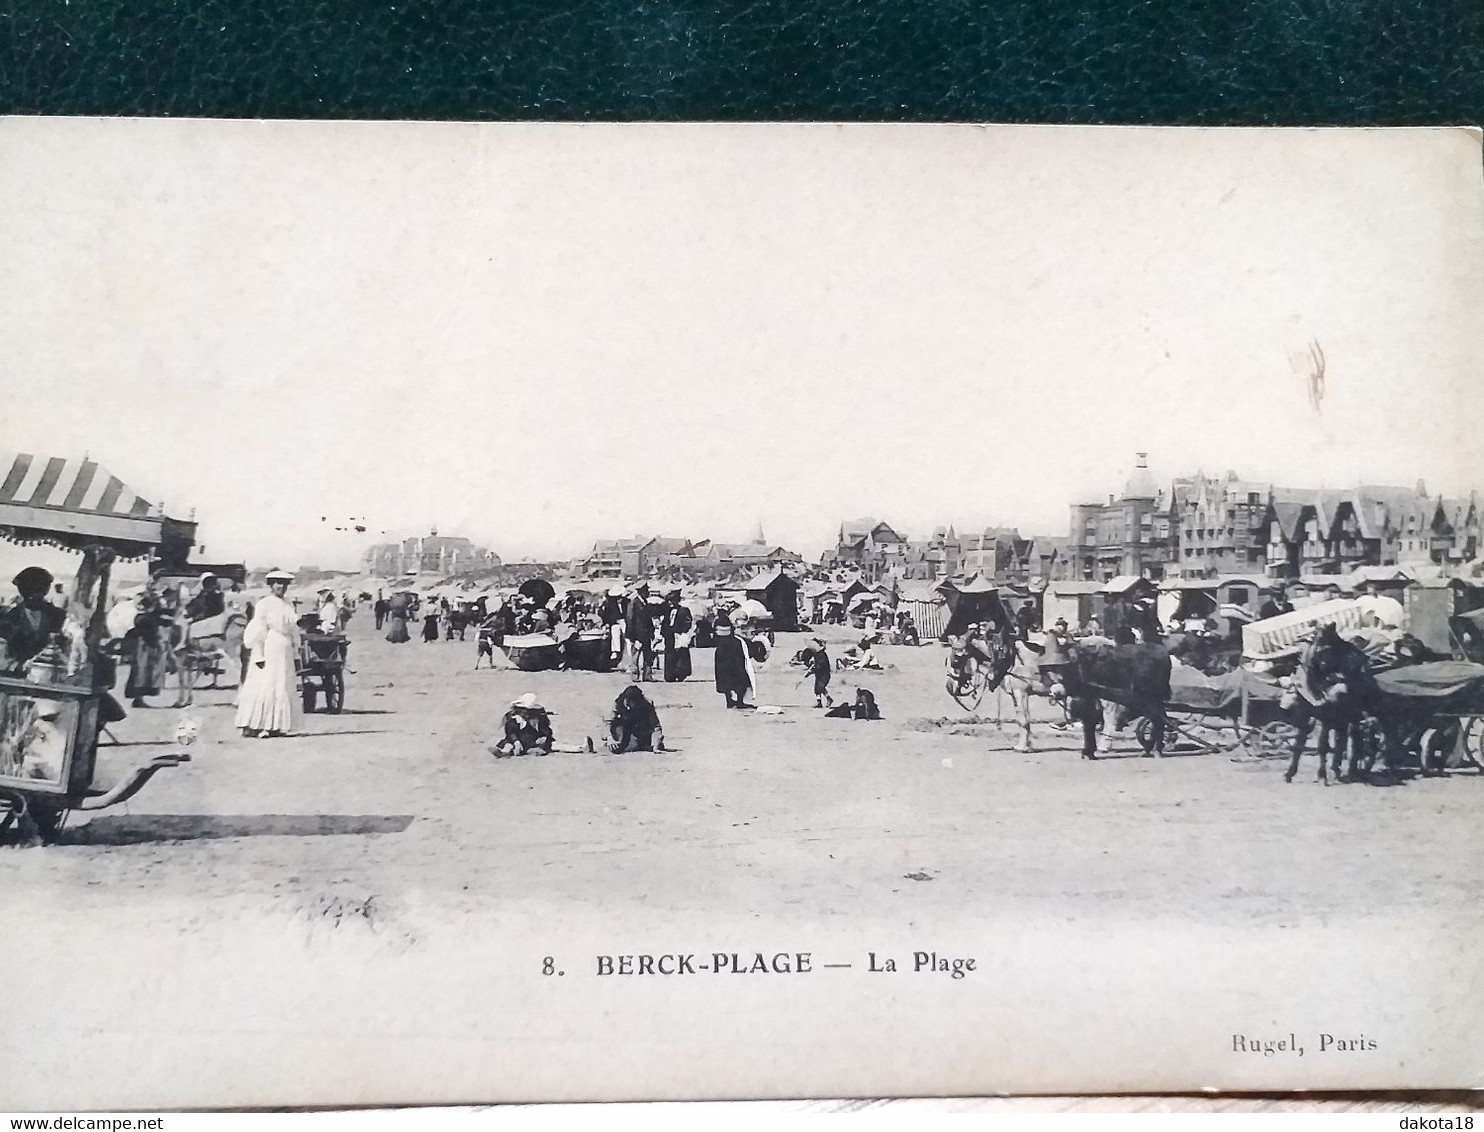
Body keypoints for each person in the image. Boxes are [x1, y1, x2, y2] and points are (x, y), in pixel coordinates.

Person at [235, 569, 302, 737]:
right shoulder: (264, 604)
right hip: (270, 647)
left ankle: (276, 726)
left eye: (284, 584)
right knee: (266, 685)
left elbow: (294, 630)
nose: (281, 587)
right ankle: (259, 725)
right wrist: (259, 655)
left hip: (285, 650)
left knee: (282, 686)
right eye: (277, 583)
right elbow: (258, 630)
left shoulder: (288, 604)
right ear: (271, 585)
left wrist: (296, 654)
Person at [0, 566, 66, 674]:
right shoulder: (9, 617)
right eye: (29, 591)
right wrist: (17, 666)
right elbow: (2, 655)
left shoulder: (58, 615)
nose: (34, 595)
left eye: (40, 590)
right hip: (16, 676)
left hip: (50, 673)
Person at [125, 587, 173, 707]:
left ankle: (139, 698)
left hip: (145, 645)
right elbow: (153, 629)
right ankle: (138, 699)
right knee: (141, 672)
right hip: (145, 646)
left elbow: (162, 618)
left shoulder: (146, 616)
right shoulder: (144, 618)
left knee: (143, 672)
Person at [604, 685, 666, 752]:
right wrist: (609, 738)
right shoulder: (617, 702)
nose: (628, 707)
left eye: (631, 703)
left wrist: (655, 744)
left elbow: (655, 726)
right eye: (626, 702)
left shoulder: (647, 704)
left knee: (648, 744)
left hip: (640, 728)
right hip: (624, 727)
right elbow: (607, 722)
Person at [713, 616, 753, 709]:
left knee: (724, 677)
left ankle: (729, 701)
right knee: (740, 677)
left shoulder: (718, 622)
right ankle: (739, 701)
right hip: (732, 650)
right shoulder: (736, 641)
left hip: (721, 651)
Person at [659, 587, 694, 682]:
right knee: (669, 655)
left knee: (680, 655)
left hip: (678, 635)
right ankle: (670, 675)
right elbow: (665, 622)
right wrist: (665, 632)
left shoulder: (684, 610)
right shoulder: (667, 610)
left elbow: (688, 622)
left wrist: (681, 631)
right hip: (669, 636)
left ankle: (680, 673)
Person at [625, 583, 656, 681]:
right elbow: (630, 620)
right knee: (635, 656)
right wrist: (632, 635)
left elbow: (648, 619)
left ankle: (647, 675)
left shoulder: (645, 603)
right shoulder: (634, 603)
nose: (648, 593)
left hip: (646, 634)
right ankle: (634, 675)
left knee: (648, 656)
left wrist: (652, 632)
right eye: (646, 591)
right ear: (641, 592)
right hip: (637, 635)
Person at [802, 636, 834, 708]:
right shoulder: (817, 654)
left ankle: (828, 699)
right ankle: (820, 702)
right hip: (819, 674)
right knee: (817, 688)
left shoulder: (822, 655)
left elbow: (820, 666)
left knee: (820, 687)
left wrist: (811, 672)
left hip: (824, 674)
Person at [599, 586, 627, 662]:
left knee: (625, 632)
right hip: (614, 623)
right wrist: (613, 621)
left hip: (624, 622)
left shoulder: (626, 603)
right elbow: (607, 617)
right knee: (615, 630)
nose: (619, 599)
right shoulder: (610, 605)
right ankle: (615, 651)